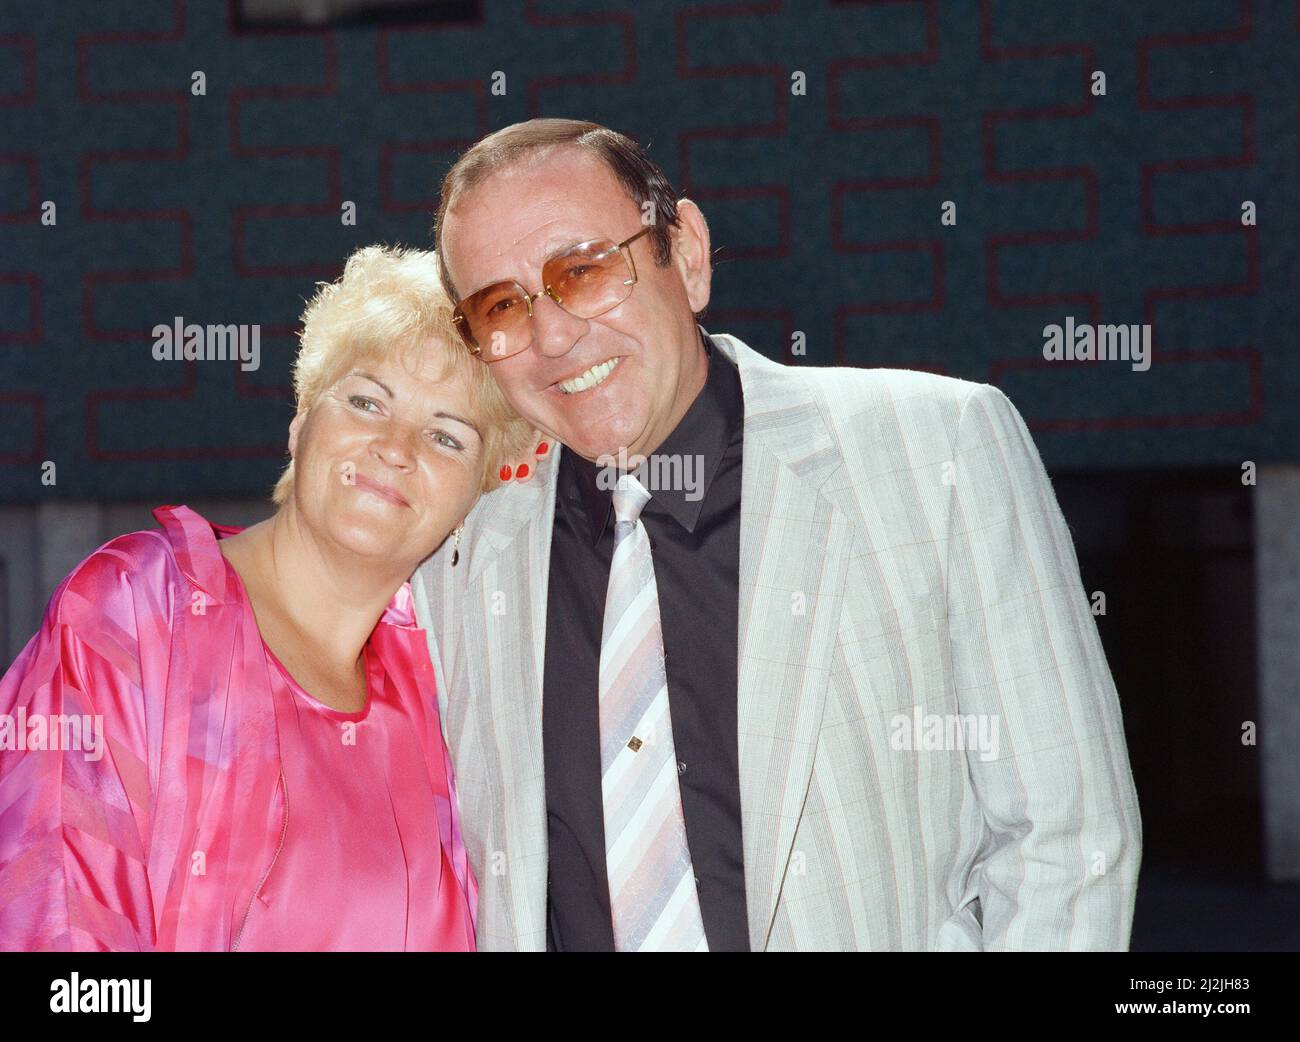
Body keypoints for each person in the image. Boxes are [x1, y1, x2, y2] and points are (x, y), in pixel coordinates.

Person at [411, 118, 1144, 951]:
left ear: (685, 253)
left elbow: (1068, 841)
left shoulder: (934, 453)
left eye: (582, 271)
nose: (552, 336)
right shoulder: (458, 555)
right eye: (501, 306)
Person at [0, 244, 536, 951]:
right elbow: (57, 944)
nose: (395, 447)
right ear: (301, 420)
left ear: (477, 497)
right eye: (367, 400)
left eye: (446, 435)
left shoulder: (445, 688)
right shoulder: (136, 609)